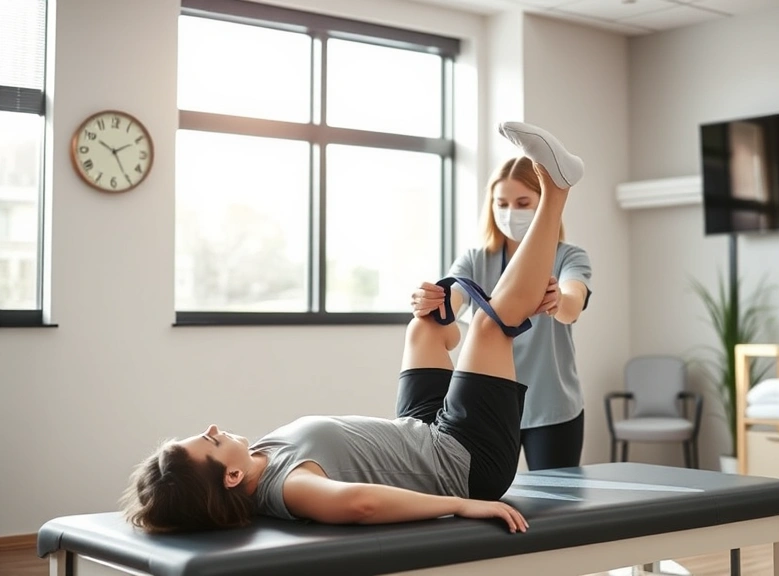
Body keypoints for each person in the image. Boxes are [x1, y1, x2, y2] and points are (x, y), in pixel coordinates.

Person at [119, 121, 584, 535]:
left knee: (424, 327)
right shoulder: (285, 487)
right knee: (489, 327)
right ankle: (558, 189)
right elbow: (358, 503)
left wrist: (440, 305)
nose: (214, 428)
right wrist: (464, 504)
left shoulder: (258, 454)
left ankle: (472, 351)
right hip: (462, 462)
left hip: (421, 431)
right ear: (231, 477)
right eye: (209, 441)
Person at [411, 126, 591, 471]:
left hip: (551, 406)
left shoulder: (569, 256)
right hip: (488, 401)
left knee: (556, 504)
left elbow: (573, 304)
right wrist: (430, 300)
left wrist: (557, 301)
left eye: (523, 203)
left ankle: (559, 185)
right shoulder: (475, 260)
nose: (510, 212)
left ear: (542, 204)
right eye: (501, 203)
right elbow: (453, 301)